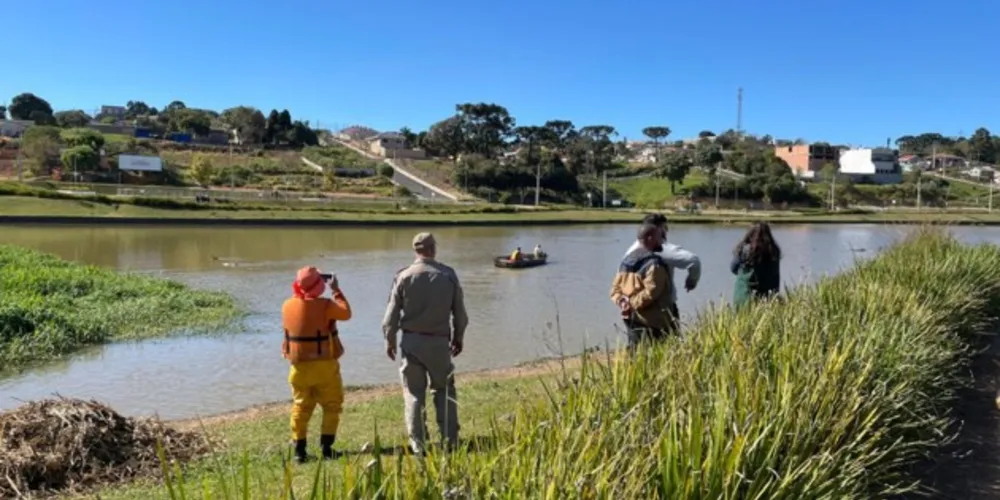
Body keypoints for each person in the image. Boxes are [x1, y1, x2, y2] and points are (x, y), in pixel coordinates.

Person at [382, 232, 469, 454]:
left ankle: (418, 444)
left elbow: (391, 315)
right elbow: (460, 313)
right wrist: (458, 337)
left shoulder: (403, 276)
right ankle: (450, 440)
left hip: (411, 342)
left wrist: (390, 340)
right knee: (444, 390)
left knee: (413, 394)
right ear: (433, 249)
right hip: (439, 343)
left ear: (415, 250)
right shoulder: (448, 275)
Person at [281, 266, 352, 463]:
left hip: (298, 368)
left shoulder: (287, 305)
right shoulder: (326, 305)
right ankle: (327, 449)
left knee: (300, 407)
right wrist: (336, 290)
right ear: (320, 285)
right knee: (331, 406)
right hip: (324, 367)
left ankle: (299, 452)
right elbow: (346, 313)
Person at [610, 223, 675, 352]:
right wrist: (631, 304)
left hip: (630, 318)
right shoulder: (654, 264)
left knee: (635, 351)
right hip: (653, 321)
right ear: (650, 238)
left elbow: (614, 289)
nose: (662, 240)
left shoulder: (626, 261)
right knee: (655, 354)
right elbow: (651, 292)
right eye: (659, 237)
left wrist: (622, 302)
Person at [622, 213, 702, 305]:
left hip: (631, 304)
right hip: (658, 307)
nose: (666, 231)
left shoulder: (631, 250)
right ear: (659, 230)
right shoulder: (662, 250)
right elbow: (694, 261)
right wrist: (691, 281)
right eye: (665, 228)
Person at [730, 221, 782, 308]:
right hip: (769, 298)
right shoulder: (774, 251)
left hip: (744, 297)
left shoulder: (745, 249)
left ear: (750, 234)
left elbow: (733, 268)